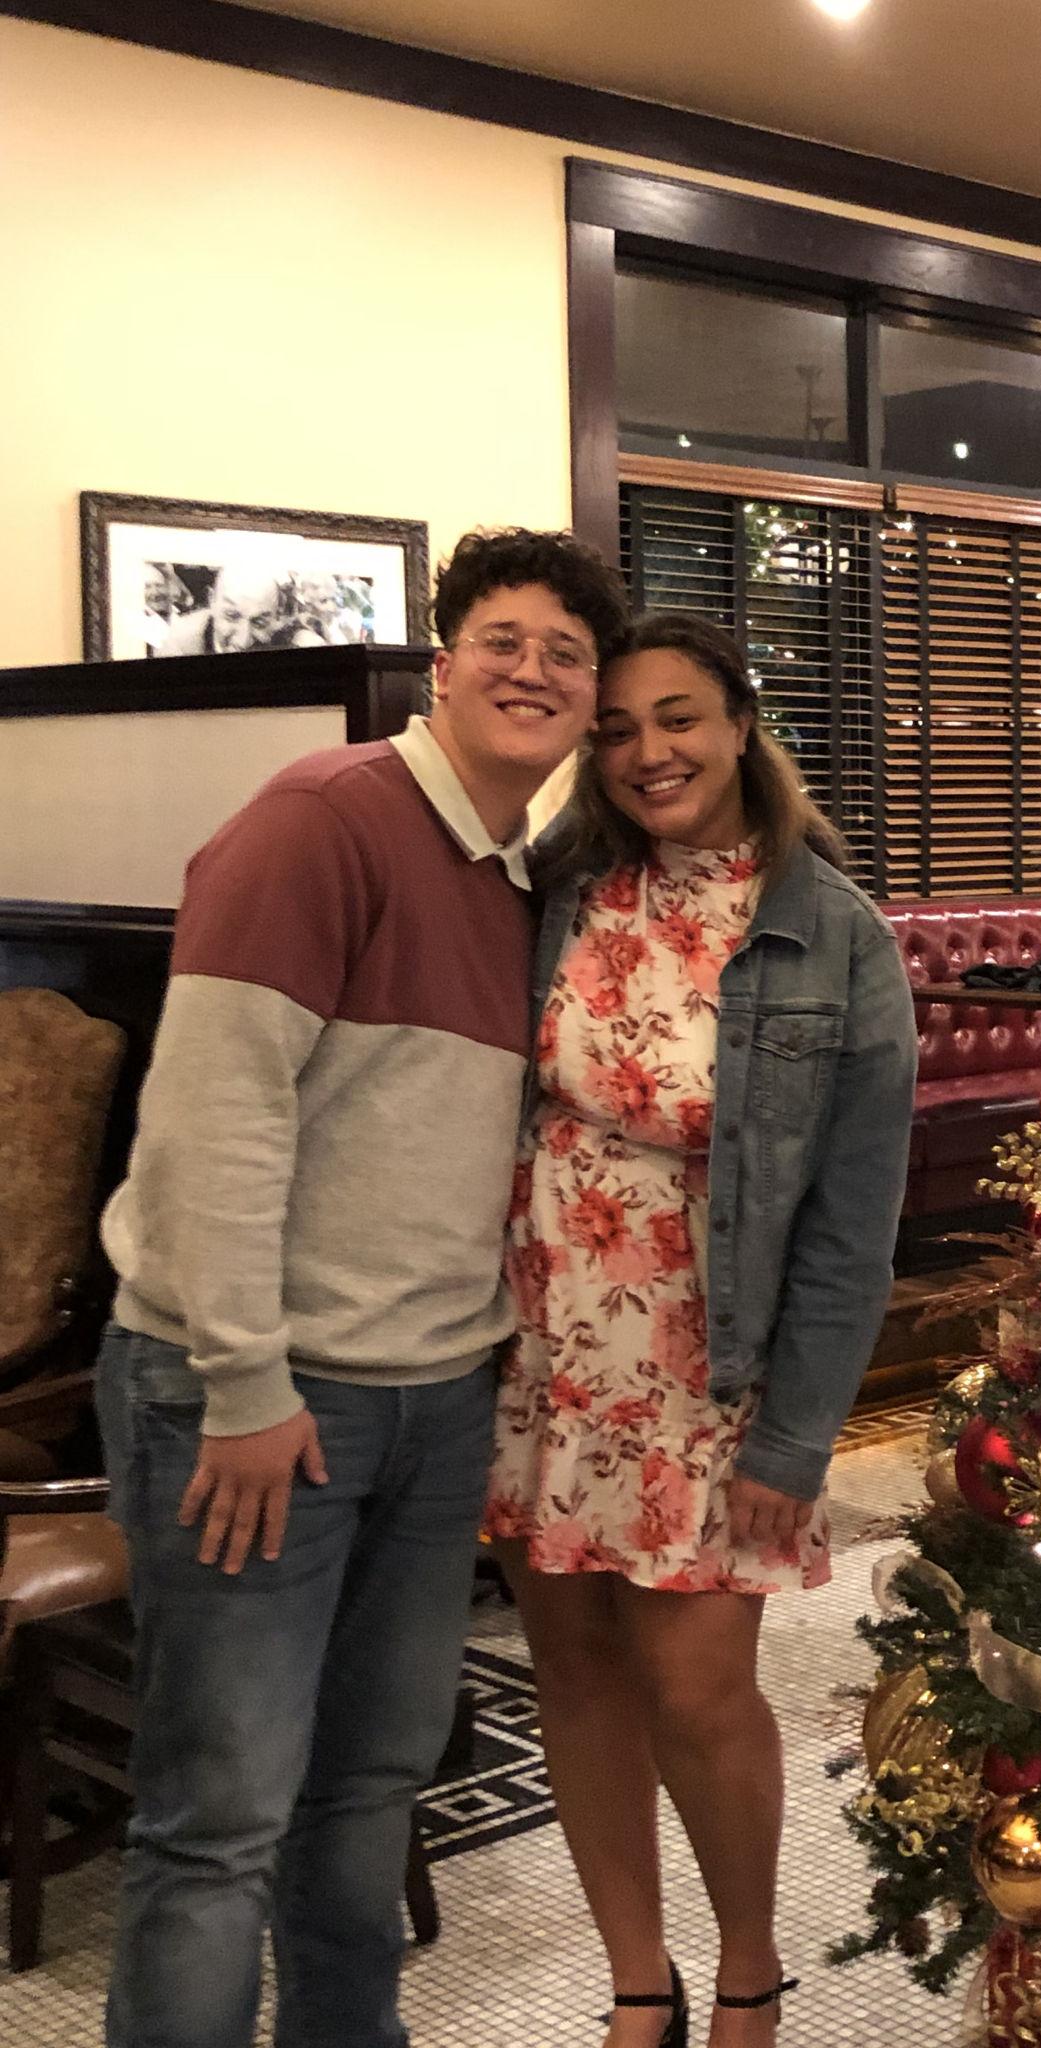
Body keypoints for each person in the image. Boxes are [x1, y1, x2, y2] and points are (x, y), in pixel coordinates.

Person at [95, 528, 630, 2048]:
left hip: (434, 1399)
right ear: (442, 664)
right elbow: (212, 1121)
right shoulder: (322, 819)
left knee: (371, 1790)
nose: (533, 670)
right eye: (503, 640)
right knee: (220, 1819)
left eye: (567, 654)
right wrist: (244, 1383)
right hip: (262, 1397)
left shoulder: (527, 879)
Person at [486, 611, 917, 2048]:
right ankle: (636, 1982)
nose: (646, 751)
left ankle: (747, 1975)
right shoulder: (559, 890)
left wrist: (799, 1437)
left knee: (698, 1688)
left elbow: (852, 1225)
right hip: (540, 1353)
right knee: (575, 1673)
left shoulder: (832, 932)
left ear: (740, 724)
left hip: (707, 1369)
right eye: (614, 728)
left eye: (677, 717)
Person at [155, 562, 294, 654]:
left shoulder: (289, 638)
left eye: (259, 622)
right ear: (211, 601)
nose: (242, 641)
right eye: (232, 616)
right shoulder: (176, 645)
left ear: (277, 617)